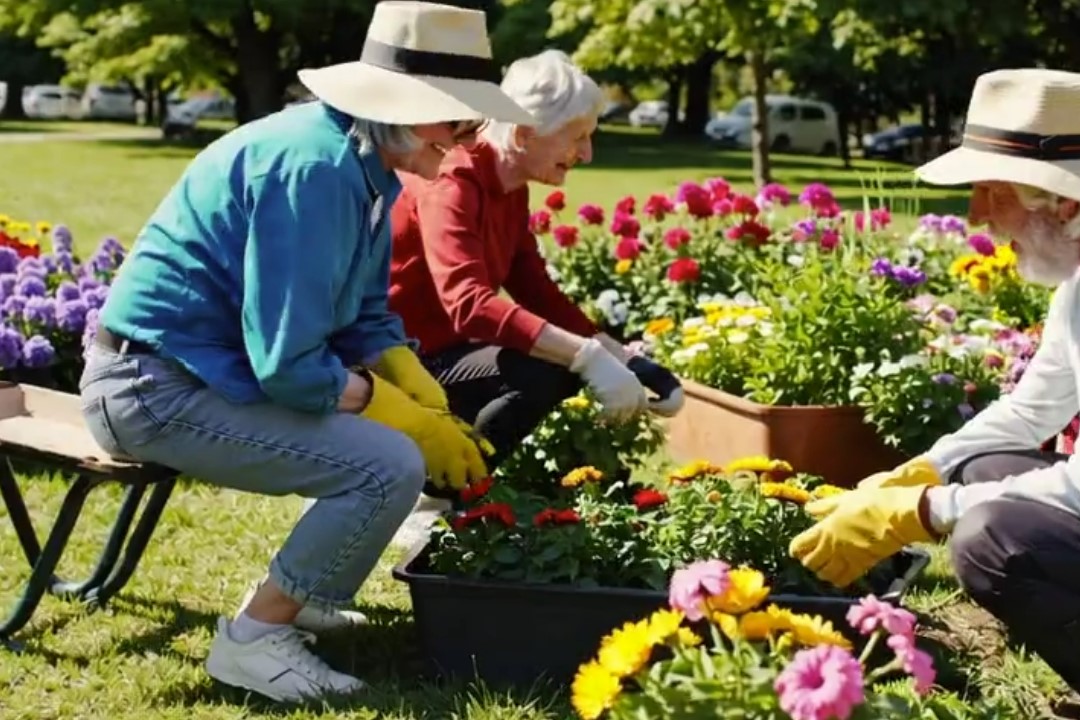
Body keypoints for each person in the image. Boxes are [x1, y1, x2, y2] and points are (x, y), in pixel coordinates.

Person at [77, 2, 535, 703]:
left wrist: (413, 382)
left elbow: (367, 312)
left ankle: (309, 591)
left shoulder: (361, 164)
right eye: (460, 120)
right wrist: (398, 415)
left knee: (391, 450)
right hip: (149, 389)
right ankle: (254, 643)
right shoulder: (315, 172)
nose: (467, 140)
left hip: (184, 376)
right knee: (387, 464)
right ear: (408, 106)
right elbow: (287, 368)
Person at [788, 68, 1080, 720]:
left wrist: (920, 512)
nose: (975, 216)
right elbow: (1032, 409)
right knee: (979, 470)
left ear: (1063, 201)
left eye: (991, 190)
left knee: (990, 538)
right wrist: (918, 472)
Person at [386, 49, 683, 480]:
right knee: (548, 366)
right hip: (397, 361)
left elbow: (536, 290)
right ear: (524, 134)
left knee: (555, 361)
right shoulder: (452, 181)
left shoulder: (510, 185)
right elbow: (468, 303)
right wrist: (585, 357)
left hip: (446, 353)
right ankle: (442, 492)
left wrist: (626, 359)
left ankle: (454, 488)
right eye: (577, 136)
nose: (587, 154)